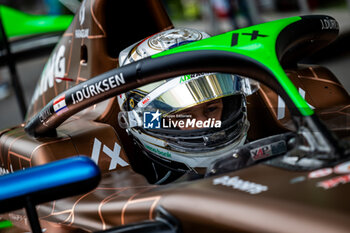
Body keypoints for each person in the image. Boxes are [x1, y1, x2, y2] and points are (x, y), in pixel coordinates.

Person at [117, 28, 250, 184]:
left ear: (230, 104)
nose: (203, 122)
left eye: (212, 108)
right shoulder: (134, 186)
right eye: (185, 115)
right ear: (143, 119)